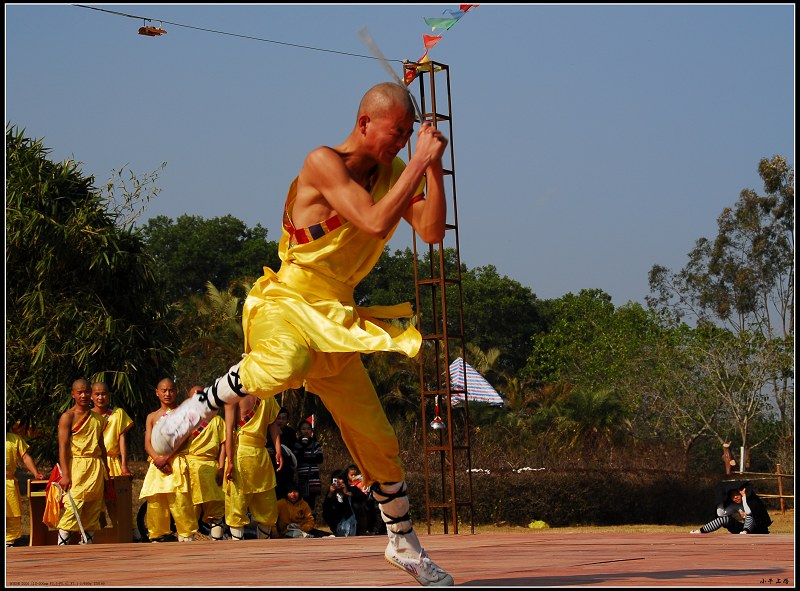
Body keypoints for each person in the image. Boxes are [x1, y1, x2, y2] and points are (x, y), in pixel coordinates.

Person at [151, 81, 453, 585]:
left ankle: (404, 545)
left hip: (336, 318)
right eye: (394, 133)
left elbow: (432, 231)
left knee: (378, 439)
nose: (400, 143)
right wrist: (419, 162)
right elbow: (376, 222)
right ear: (364, 124)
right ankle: (198, 408)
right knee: (285, 363)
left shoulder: (398, 171)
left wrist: (434, 168)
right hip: (287, 300)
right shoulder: (323, 161)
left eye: (407, 136)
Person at [139, 378, 199, 542]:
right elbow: (147, 443)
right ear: (157, 393)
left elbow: (184, 439)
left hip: (175, 462)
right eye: (164, 390)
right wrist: (157, 459)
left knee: (180, 500)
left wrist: (166, 457)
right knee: (156, 501)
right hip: (156, 465)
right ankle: (157, 535)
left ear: (176, 392)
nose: (167, 394)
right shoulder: (151, 416)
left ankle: (186, 535)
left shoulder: (183, 413)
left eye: (171, 390)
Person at [55, 378, 110, 545]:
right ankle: (62, 545)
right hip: (76, 466)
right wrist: (65, 474)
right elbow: (63, 447)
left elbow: (102, 447)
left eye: (87, 392)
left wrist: (106, 471)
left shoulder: (98, 419)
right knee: (73, 506)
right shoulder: (68, 417)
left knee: (93, 507)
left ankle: (88, 544)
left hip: (95, 466)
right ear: (73, 394)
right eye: (80, 392)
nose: (84, 395)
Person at [224, 393, 283, 540]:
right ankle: (240, 546)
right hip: (246, 455)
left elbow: (273, 425)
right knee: (241, 501)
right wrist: (230, 460)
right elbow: (229, 431)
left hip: (253, 455)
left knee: (263, 501)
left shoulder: (265, 397)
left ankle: (261, 546)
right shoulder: (235, 397)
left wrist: (278, 450)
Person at [185, 385, 227, 541]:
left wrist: (222, 467)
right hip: (189, 468)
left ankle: (216, 545)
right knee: (189, 510)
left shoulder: (216, 420)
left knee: (215, 511)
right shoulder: (184, 420)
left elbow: (223, 445)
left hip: (211, 468)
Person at [91, 381, 133, 530]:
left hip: (113, 461)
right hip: (94, 463)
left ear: (108, 396)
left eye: (103, 394)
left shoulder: (117, 414)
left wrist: (124, 465)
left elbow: (122, 440)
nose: (100, 397)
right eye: (97, 394)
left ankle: (124, 530)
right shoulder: (87, 416)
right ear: (91, 396)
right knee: (95, 501)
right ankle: (97, 533)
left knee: (116, 501)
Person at [6, 426, 45, 547]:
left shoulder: (15, 439)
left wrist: (35, 473)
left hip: (8, 482)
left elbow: (25, 457)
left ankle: (8, 542)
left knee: (11, 513)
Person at [690, 480, 773, 535]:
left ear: (740, 493)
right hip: (743, 529)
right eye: (732, 497)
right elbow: (720, 514)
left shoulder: (753, 501)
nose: (735, 498)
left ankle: (745, 531)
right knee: (724, 519)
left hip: (758, 529)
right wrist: (721, 499)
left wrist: (744, 496)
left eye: (736, 495)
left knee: (749, 516)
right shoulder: (734, 505)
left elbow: (748, 512)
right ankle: (700, 531)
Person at [267, 406, 297, 501]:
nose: (280, 421)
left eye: (283, 418)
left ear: (287, 420)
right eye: (278, 418)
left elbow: (292, 450)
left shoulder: (291, 432)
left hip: (286, 469)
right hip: (271, 468)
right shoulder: (267, 431)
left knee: (285, 495)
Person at [344, 463, 383, 536]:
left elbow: (364, 492)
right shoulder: (347, 484)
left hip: (363, 500)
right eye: (351, 475)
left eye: (355, 474)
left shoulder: (361, 482)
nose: (353, 477)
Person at [293, 419, 323, 513]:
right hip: (302, 478)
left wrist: (305, 458)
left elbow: (319, 459)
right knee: (301, 502)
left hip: (313, 479)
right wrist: (304, 446)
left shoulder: (316, 444)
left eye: (308, 429)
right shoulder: (297, 444)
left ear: (311, 431)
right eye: (303, 429)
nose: (306, 431)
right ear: (299, 431)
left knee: (311, 503)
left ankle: (311, 523)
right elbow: (297, 459)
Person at [322, 470, 357, 537]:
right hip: (337, 524)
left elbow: (348, 511)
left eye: (340, 479)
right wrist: (330, 494)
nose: (338, 481)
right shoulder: (330, 493)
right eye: (335, 479)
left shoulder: (350, 489)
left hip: (351, 522)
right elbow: (326, 510)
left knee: (355, 505)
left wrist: (346, 494)